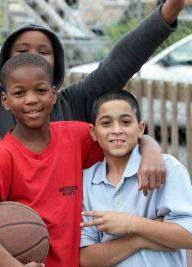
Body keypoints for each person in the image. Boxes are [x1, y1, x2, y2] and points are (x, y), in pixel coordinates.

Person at [0, 52, 104, 267]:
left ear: (54, 94)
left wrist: (149, 147)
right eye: (19, 93)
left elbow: (123, 140)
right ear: (5, 100)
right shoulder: (3, 156)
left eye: (40, 90)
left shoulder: (77, 136)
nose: (31, 99)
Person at [0, 0, 185, 136]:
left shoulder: (75, 103)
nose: (33, 58)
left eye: (44, 51)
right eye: (23, 50)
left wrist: (170, 10)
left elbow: (120, 62)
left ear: (57, 66)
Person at [79, 90, 192, 267]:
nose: (117, 130)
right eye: (106, 123)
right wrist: (139, 238)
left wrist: (132, 223)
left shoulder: (168, 168)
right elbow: (86, 258)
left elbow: (188, 235)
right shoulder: (86, 181)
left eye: (125, 122)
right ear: (93, 132)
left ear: (140, 129)